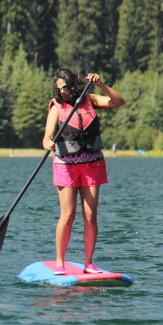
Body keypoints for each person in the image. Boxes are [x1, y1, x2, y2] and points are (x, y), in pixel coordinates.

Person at [42, 68, 125, 275]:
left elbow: (118, 101)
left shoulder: (90, 98)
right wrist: (47, 143)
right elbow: (47, 135)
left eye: (65, 87)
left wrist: (101, 85)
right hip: (66, 167)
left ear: (73, 84)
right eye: (58, 88)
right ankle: (60, 263)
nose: (62, 92)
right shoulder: (56, 107)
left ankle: (89, 263)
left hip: (92, 164)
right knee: (68, 215)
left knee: (90, 216)